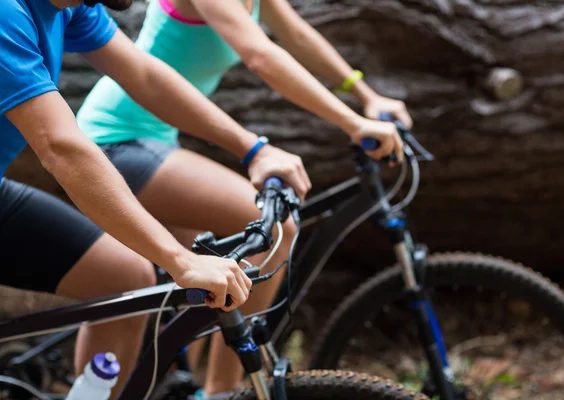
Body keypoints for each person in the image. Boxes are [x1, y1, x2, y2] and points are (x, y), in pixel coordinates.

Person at [76, 0, 413, 398]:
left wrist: (365, 95)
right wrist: (353, 123)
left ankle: (181, 387)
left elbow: (298, 36)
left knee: (201, 277)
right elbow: (262, 55)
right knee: (277, 227)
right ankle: (225, 390)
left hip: (156, 139)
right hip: (115, 142)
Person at [0, 0, 313, 398]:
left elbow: (144, 75)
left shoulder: (70, 6)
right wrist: (179, 259)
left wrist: (254, 149)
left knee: (124, 280)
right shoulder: (7, 13)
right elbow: (61, 147)